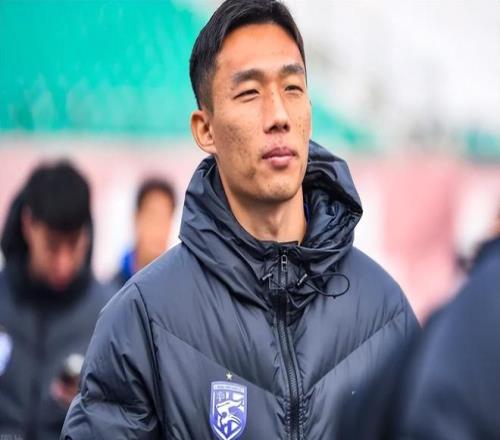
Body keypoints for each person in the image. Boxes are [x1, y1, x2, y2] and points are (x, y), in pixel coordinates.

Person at [62, 1, 418, 438]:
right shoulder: (141, 319)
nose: (279, 116)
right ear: (205, 129)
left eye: (292, 88)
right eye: (250, 93)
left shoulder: (386, 312)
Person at [0, 161, 112, 440]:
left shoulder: (110, 315)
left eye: (73, 245)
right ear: (28, 225)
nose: (63, 263)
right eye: (52, 246)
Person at [110, 177, 176, 289]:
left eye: (166, 218)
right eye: (153, 217)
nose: (159, 228)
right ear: (136, 219)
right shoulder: (112, 292)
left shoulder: (180, 288)